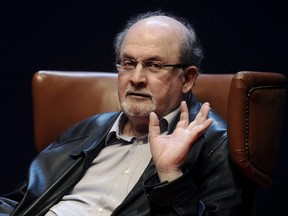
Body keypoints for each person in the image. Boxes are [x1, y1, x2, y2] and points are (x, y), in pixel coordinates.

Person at [0, 11, 245, 216]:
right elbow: (23, 202)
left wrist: (171, 176)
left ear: (187, 79)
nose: (136, 78)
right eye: (128, 63)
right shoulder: (88, 129)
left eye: (154, 65)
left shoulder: (215, 144)